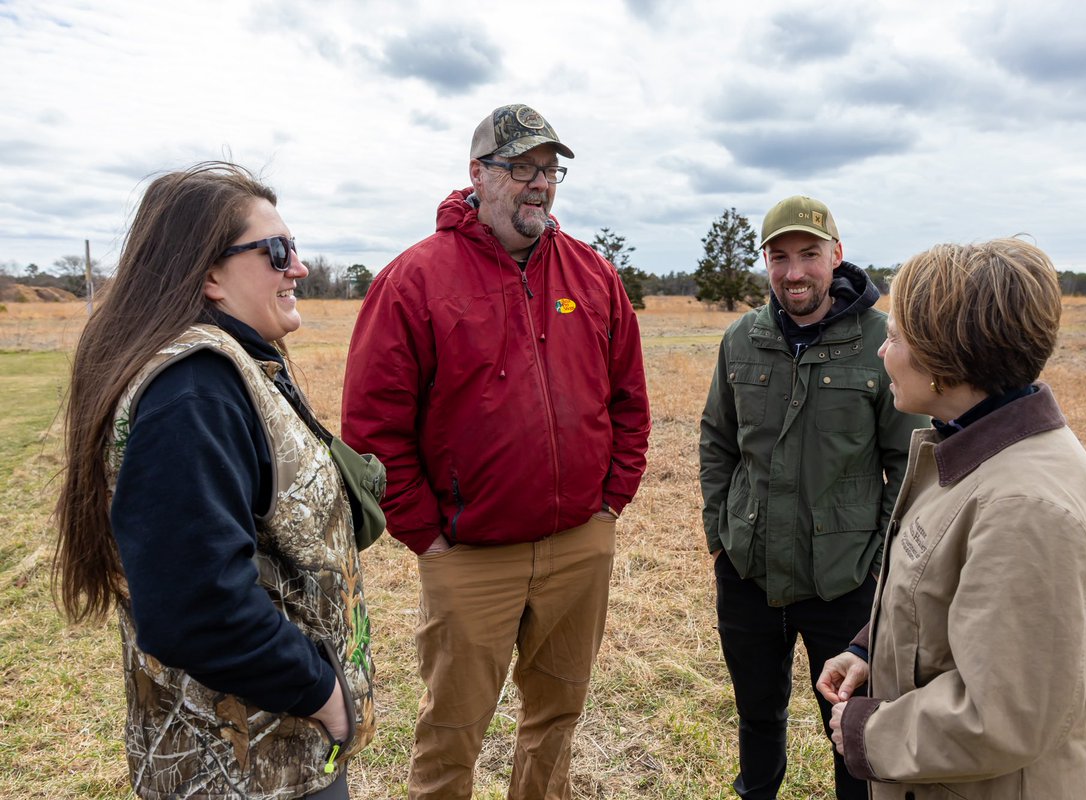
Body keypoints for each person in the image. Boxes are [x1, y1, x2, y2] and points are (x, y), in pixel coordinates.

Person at [341, 103, 651, 800]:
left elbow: (629, 399)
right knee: (451, 732)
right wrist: (428, 536)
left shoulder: (593, 276)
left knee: (557, 714)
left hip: (579, 545)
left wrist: (609, 503)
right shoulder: (413, 280)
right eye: (520, 168)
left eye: (549, 170)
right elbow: (373, 429)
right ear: (477, 174)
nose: (538, 184)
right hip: (470, 558)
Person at [53, 162, 375, 799]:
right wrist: (324, 695)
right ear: (208, 274)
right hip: (245, 770)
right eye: (276, 251)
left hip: (269, 754)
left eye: (294, 248)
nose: (298, 268)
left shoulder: (227, 367)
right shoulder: (196, 391)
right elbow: (193, 605)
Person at [819, 238, 1086, 799]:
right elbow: (950, 604)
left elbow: (1004, 714)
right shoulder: (977, 452)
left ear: (943, 360)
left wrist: (868, 730)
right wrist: (868, 651)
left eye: (894, 338)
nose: (882, 354)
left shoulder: (1024, 509)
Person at [699, 195, 926, 800]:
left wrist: (878, 563)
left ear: (837, 256)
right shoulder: (742, 338)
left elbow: (906, 463)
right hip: (748, 571)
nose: (793, 272)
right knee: (757, 714)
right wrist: (719, 535)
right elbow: (718, 439)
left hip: (844, 578)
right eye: (779, 257)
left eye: (808, 255)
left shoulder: (882, 342)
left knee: (851, 726)